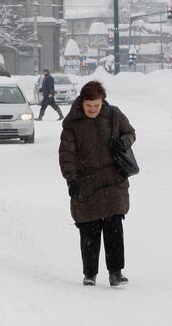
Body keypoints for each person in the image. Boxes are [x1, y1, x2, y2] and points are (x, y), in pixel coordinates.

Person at [59, 80, 136, 287]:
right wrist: (71, 180)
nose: (93, 109)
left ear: (102, 101)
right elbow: (66, 155)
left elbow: (131, 133)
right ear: (82, 103)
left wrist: (122, 142)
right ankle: (90, 274)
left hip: (113, 181)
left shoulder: (113, 115)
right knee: (89, 230)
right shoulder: (72, 124)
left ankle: (116, 273)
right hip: (86, 183)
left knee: (114, 230)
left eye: (96, 105)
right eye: (89, 106)